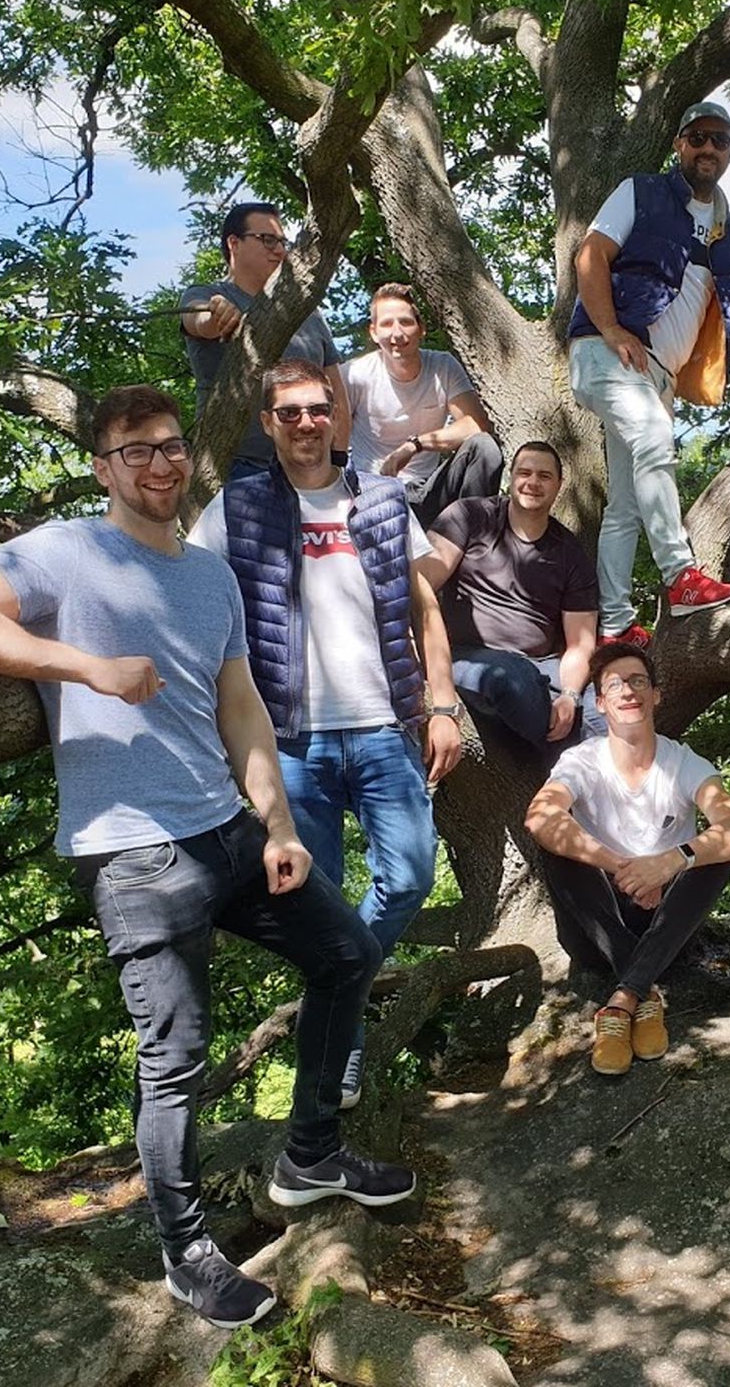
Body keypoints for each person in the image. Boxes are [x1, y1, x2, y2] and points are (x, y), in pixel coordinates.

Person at [0, 385, 412, 1332]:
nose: (159, 464)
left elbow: (240, 708)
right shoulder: (65, 552)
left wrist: (280, 824)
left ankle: (310, 1153)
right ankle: (186, 1253)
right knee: (175, 1058)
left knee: (349, 952)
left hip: (228, 829)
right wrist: (84, 668)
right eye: (135, 451)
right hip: (133, 852)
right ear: (104, 467)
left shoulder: (211, 576)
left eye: (170, 446)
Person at [188, 359, 463, 1107]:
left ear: (337, 416)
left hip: (384, 726)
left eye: (318, 409)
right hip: (289, 741)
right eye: (290, 413)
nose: (307, 423)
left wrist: (443, 705)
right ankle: (341, 1041)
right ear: (268, 423)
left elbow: (424, 607)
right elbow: (193, 606)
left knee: (409, 876)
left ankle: (335, 998)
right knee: (319, 899)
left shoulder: (382, 499)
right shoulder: (235, 509)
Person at [567, 99, 730, 648]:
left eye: (720, 140)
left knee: (624, 504)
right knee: (654, 439)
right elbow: (590, 256)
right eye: (698, 138)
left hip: (658, 376)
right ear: (680, 145)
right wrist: (611, 328)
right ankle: (680, 574)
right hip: (608, 353)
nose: (708, 148)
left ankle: (614, 626)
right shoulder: (641, 192)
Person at [523, 642, 730, 1074]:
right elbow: (540, 816)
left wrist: (671, 861)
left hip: (666, 929)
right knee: (556, 847)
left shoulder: (683, 762)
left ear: (656, 694)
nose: (628, 691)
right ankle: (643, 991)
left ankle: (623, 999)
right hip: (597, 930)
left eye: (638, 682)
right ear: (600, 702)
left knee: (718, 854)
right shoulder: (582, 761)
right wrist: (624, 868)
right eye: (615, 685)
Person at [421, 440, 603, 753]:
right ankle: (567, 758)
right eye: (525, 473)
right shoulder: (470, 516)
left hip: (543, 666)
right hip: (469, 656)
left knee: (605, 703)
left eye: (544, 476)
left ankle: (600, 775)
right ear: (511, 478)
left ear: (559, 485)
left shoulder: (570, 552)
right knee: (511, 678)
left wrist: (570, 695)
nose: (533, 482)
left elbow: (580, 643)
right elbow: (420, 583)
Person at [180, 201, 351, 476]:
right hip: (236, 467)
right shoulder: (205, 294)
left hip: (310, 466)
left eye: (282, 242)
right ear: (234, 243)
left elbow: (336, 394)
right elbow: (199, 321)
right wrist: (217, 313)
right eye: (267, 240)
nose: (280, 250)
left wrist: (338, 459)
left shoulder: (307, 310)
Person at [344, 282, 504, 526]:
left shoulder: (443, 366)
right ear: (374, 332)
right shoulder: (355, 374)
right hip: (372, 492)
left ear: (421, 329)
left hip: (426, 491)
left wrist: (414, 445)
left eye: (405, 322)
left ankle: (474, 539)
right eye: (387, 324)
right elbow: (329, 434)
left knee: (485, 447)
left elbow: (476, 425)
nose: (397, 333)